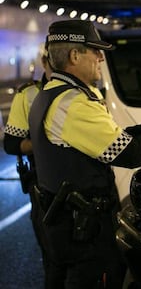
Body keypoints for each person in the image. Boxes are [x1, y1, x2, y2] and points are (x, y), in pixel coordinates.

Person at [28, 19, 141, 289]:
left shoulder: (52, 94)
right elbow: (130, 153)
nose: (101, 57)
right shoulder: (75, 104)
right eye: (95, 50)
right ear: (74, 55)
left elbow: (106, 138)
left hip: (65, 223)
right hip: (84, 231)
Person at [3, 43, 52, 275]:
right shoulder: (29, 94)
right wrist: (46, 143)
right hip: (43, 185)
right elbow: (12, 144)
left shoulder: (88, 93)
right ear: (44, 62)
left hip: (84, 182)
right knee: (53, 258)